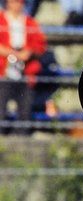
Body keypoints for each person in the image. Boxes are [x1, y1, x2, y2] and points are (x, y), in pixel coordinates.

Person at [0, 0, 46, 135]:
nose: (17, 5)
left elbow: (40, 46)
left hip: (25, 72)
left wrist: (28, 52)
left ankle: (20, 140)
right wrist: (10, 53)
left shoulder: (30, 23)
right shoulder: (1, 20)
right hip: (4, 71)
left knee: (25, 111)